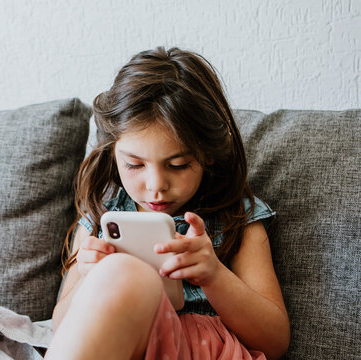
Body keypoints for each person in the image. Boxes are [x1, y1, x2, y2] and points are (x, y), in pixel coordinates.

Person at [45, 47, 290, 360]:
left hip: (200, 351)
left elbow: (275, 341)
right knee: (116, 274)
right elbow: (61, 328)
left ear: (208, 154)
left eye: (177, 165)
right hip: (125, 346)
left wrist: (214, 275)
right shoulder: (102, 217)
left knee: (123, 274)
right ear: (112, 152)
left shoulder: (237, 218)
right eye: (134, 164)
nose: (156, 185)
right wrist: (90, 280)